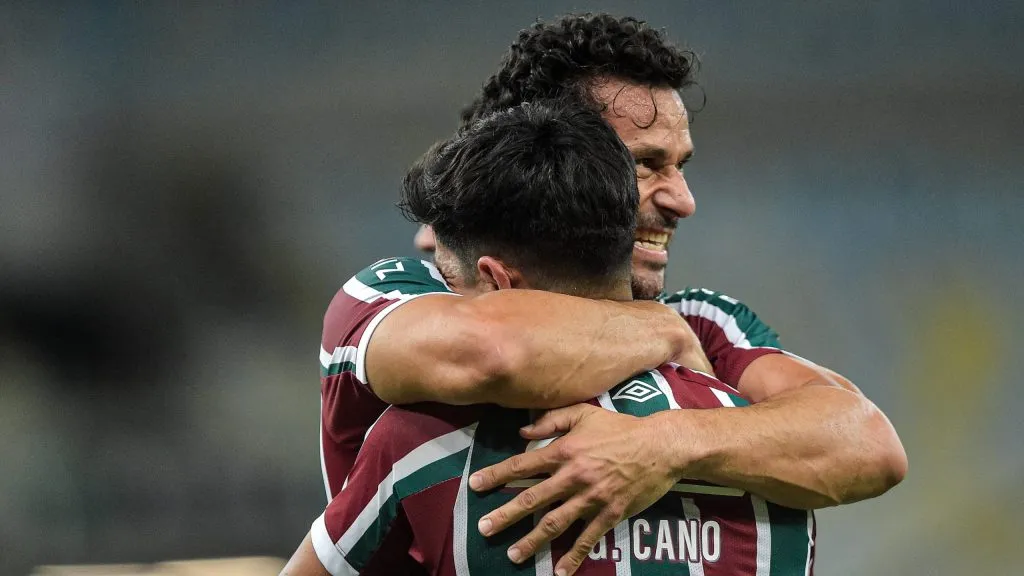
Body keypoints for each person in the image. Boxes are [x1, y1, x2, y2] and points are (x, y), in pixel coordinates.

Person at [316, 13, 906, 575]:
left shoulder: (702, 319)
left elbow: (866, 443)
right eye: (646, 164)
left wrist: (664, 443)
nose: (683, 200)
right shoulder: (396, 294)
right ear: (557, 156)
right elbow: (492, 350)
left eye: (681, 165)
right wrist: (660, 333)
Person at [286, 98, 817, 576]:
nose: (440, 280)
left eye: (452, 278)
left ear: (496, 282)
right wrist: (665, 333)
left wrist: (665, 440)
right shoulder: (772, 471)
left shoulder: (421, 440)